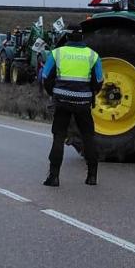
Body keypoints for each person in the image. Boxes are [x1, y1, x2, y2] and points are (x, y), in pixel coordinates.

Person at [39, 27, 103, 187]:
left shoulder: (57, 53)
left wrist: (53, 93)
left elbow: (45, 77)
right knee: (88, 137)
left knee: (59, 137)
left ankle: (53, 177)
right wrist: (90, 93)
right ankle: (92, 177)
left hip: (62, 102)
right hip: (83, 103)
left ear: (66, 36)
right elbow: (99, 81)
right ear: (82, 36)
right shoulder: (93, 55)